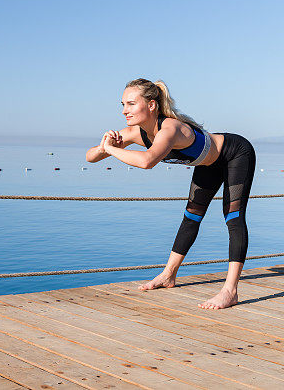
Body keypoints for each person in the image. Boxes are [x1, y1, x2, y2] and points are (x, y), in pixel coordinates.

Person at [86, 78, 256, 309]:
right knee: (192, 217)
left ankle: (230, 291)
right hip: (208, 164)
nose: (125, 110)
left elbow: (147, 161)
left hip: (235, 153)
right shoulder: (136, 133)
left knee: (233, 218)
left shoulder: (170, 128)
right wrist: (103, 146)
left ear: (152, 105)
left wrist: (111, 150)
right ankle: (168, 274)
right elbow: (90, 157)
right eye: (123, 104)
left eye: (131, 104)